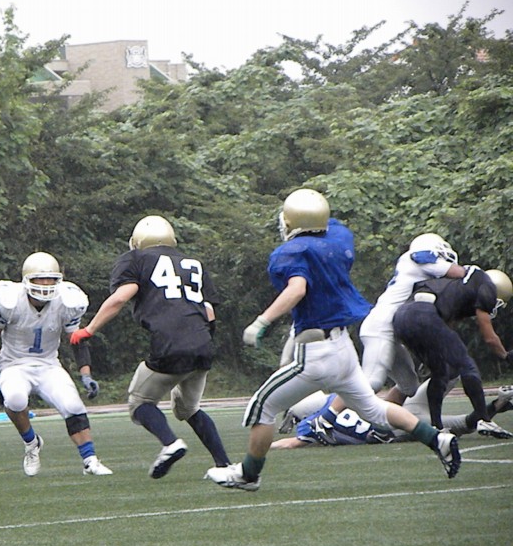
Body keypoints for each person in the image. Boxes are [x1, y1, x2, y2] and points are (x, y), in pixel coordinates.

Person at [204, 189, 461, 491]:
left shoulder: (290, 253)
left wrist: (262, 321)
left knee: (262, 406)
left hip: (316, 352)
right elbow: (325, 227)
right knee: (374, 409)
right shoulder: (338, 238)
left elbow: (297, 288)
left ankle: (248, 474)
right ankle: (437, 439)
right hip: (343, 348)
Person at [70, 215, 231, 479]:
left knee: (140, 403)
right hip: (203, 343)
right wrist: (200, 346)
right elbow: (209, 313)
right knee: (189, 409)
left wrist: (89, 330)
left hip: (170, 343)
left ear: (137, 241)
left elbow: (120, 298)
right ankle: (224, 465)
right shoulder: (193, 264)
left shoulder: (136, 259)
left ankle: (170, 444)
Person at [310, 233, 465, 433]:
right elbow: (457, 272)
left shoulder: (422, 276)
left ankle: (377, 425)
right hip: (380, 327)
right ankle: (324, 419)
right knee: (372, 382)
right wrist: (475, 275)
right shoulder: (418, 258)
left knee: (409, 386)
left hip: (392, 334)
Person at [0, 251, 112, 477]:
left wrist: (86, 373)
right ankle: (31, 442)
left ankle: (90, 460)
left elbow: (77, 340)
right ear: (27, 280)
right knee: (15, 399)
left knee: (73, 406)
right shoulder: (10, 301)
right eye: (40, 279)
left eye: (50, 279)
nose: (46, 285)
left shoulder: (66, 302)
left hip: (48, 365)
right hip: (14, 364)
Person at [393, 267, 513, 433]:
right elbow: (489, 337)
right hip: (423, 315)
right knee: (467, 365)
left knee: (440, 372)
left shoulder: (462, 286)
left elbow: (446, 323)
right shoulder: (487, 286)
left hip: (401, 318)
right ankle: (484, 420)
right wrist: (505, 355)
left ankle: (436, 428)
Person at [273, 382, 513, 449]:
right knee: (448, 372)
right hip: (397, 409)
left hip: (398, 425)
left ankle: (498, 403)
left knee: (464, 424)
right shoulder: (337, 400)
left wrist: (267, 446)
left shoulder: (312, 425)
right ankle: (500, 402)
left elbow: (291, 443)